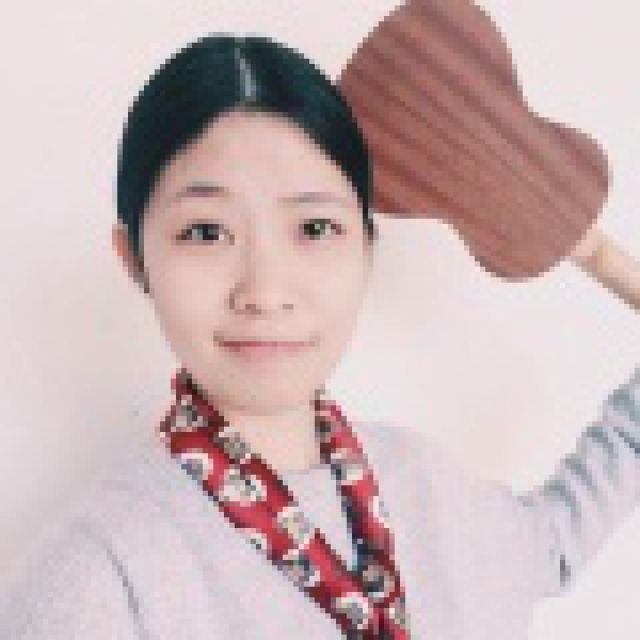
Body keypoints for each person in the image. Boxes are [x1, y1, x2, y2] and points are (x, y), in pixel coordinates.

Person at [1, 32, 639, 640]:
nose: (265, 290)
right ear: (135, 260)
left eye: (313, 228)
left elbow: (554, 541)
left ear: (367, 248)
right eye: (206, 232)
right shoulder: (101, 581)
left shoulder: (427, 486)